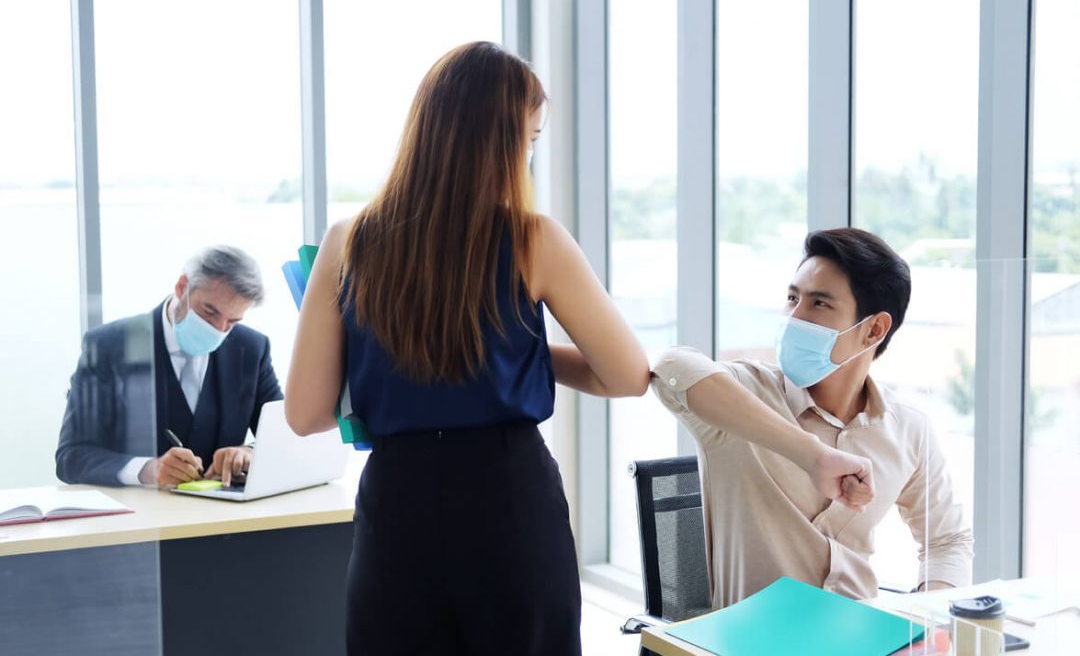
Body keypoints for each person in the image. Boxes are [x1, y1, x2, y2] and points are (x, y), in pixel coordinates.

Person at [287, 41, 652, 655]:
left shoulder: (350, 240)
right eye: (530, 140)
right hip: (508, 503)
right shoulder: (534, 240)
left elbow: (305, 414)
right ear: (500, 143)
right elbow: (626, 376)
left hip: (398, 508)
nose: (530, 156)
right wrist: (519, 358)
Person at [651, 227, 973, 609]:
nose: (794, 317)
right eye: (792, 298)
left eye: (819, 304)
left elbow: (946, 540)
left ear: (873, 330)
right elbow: (671, 366)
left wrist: (927, 624)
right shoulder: (742, 398)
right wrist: (811, 454)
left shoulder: (907, 428)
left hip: (861, 635)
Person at [56, 245, 282, 488]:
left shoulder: (251, 349)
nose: (218, 329)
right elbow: (71, 458)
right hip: (139, 517)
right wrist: (146, 470)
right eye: (209, 312)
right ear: (182, 287)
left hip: (228, 519)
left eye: (232, 321)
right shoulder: (108, 346)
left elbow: (284, 439)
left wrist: (249, 453)